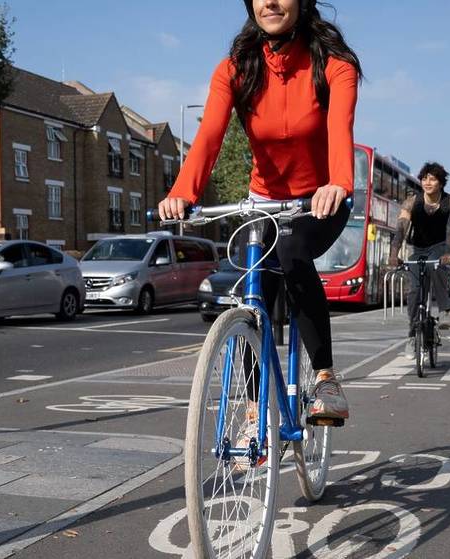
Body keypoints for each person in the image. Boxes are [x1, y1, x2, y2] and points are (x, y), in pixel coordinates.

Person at [158, 0, 361, 421]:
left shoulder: (333, 65)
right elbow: (209, 137)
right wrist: (183, 192)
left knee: (291, 254)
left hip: (319, 201)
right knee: (255, 298)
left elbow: (341, 131)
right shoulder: (236, 67)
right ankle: (255, 407)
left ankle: (325, 377)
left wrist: (338, 183)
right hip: (264, 201)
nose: (270, 1)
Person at [387, 162, 450, 359]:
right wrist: (394, 254)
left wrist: (448, 252)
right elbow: (401, 229)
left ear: (441, 182)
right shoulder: (412, 202)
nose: (427, 182)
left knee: (437, 267)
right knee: (414, 290)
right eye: (424, 178)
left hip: (439, 246)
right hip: (418, 248)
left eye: (433, 179)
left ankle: (445, 310)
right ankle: (412, 336)